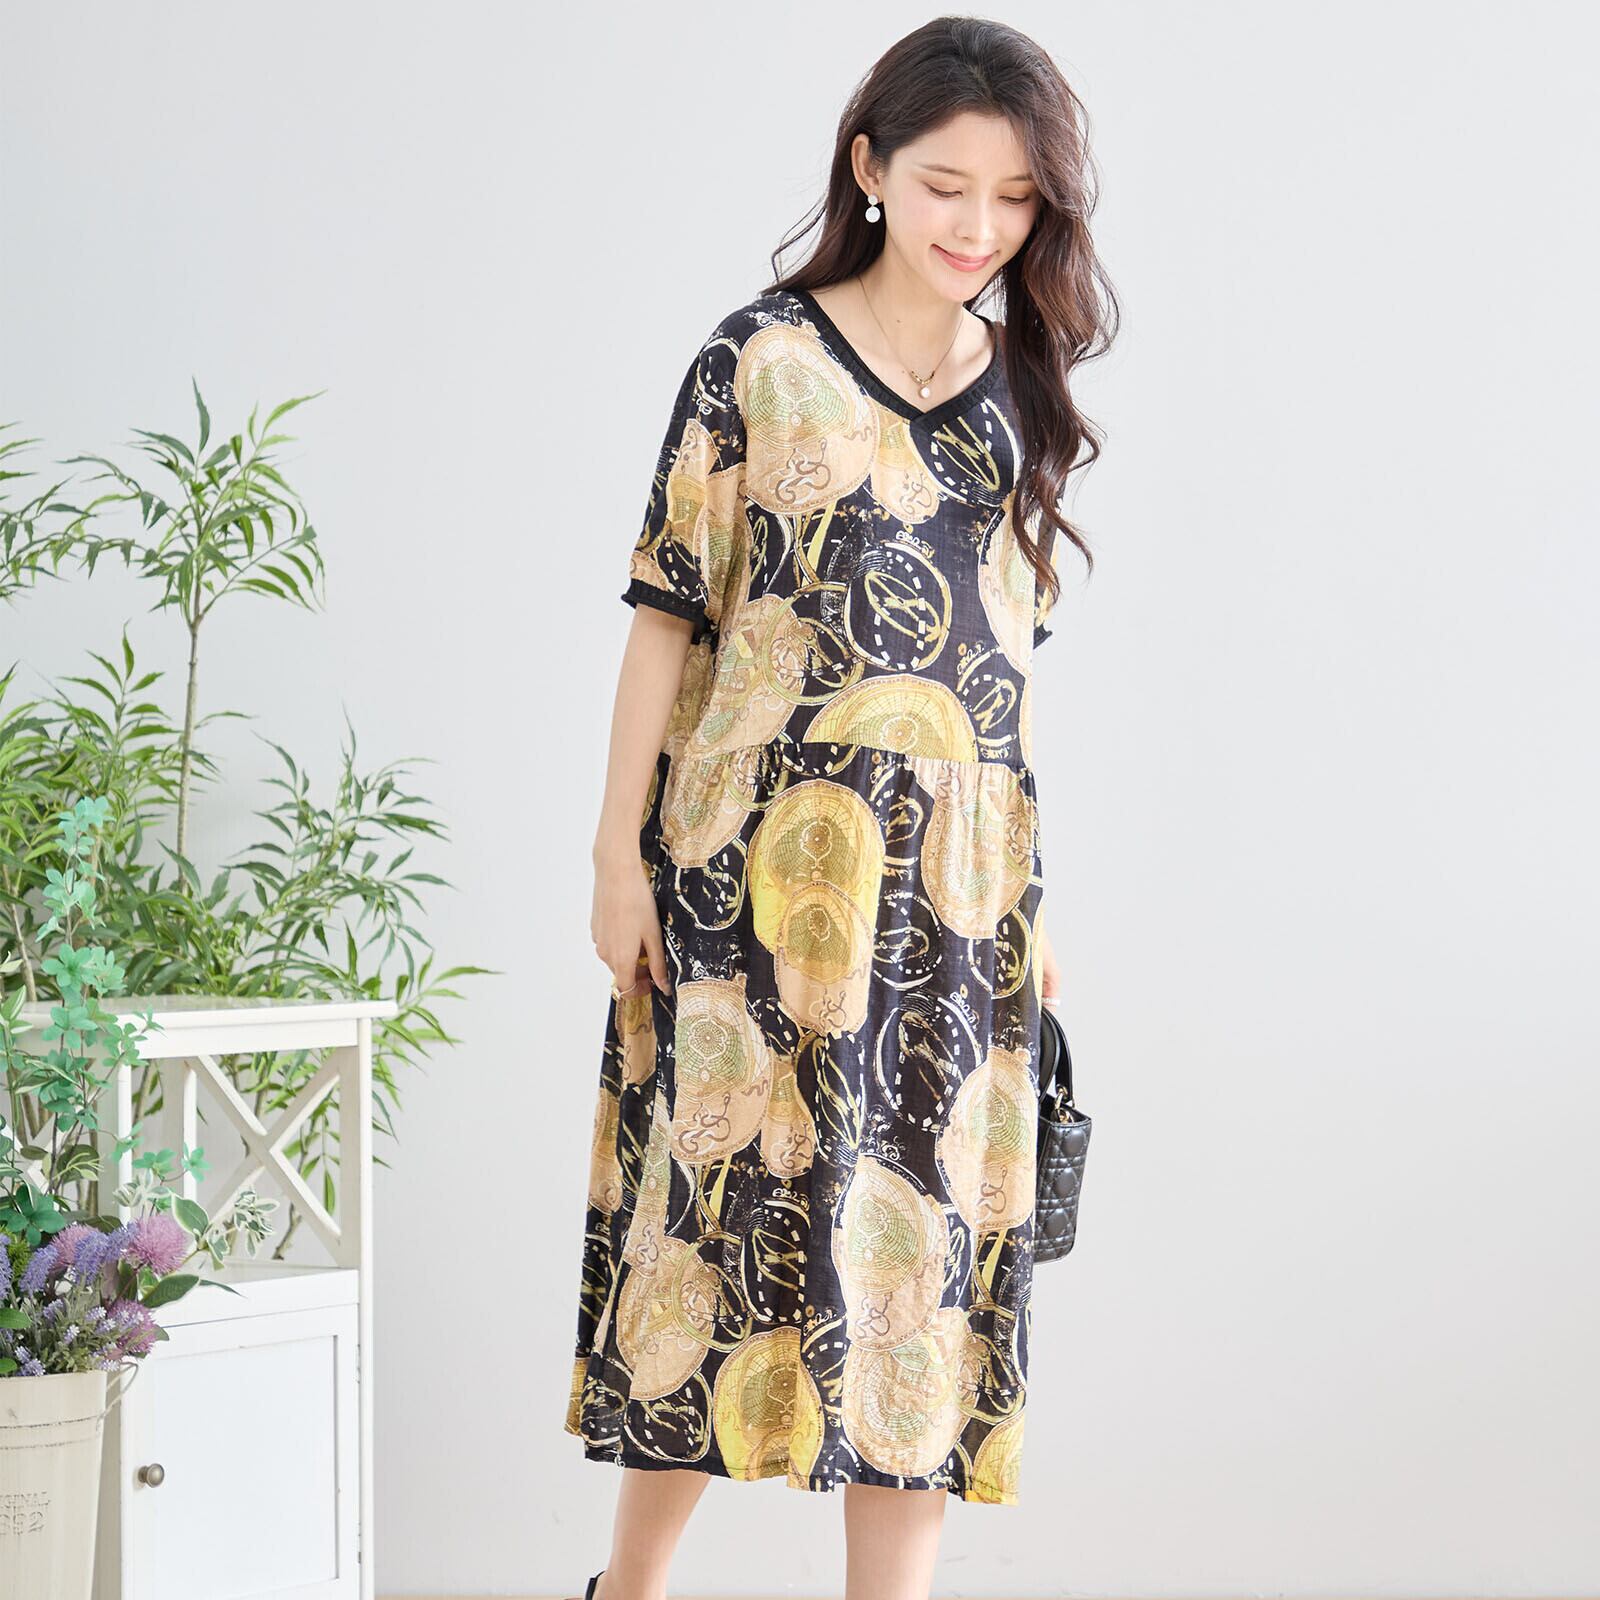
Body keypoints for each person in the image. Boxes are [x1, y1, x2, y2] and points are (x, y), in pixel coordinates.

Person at [564, 15, 1117, 1600]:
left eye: (1014, 198)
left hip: (956, 907)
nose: (978, 226)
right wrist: (615, 860)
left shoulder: (1020, 393)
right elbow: (668, 616)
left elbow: (1002, 675)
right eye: (946, 185)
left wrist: (1033, 907)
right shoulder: (760, 361)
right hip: (745, 884)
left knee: (918, 1294)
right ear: (870, 168)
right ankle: (627, 1592)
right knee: (711, 1245)